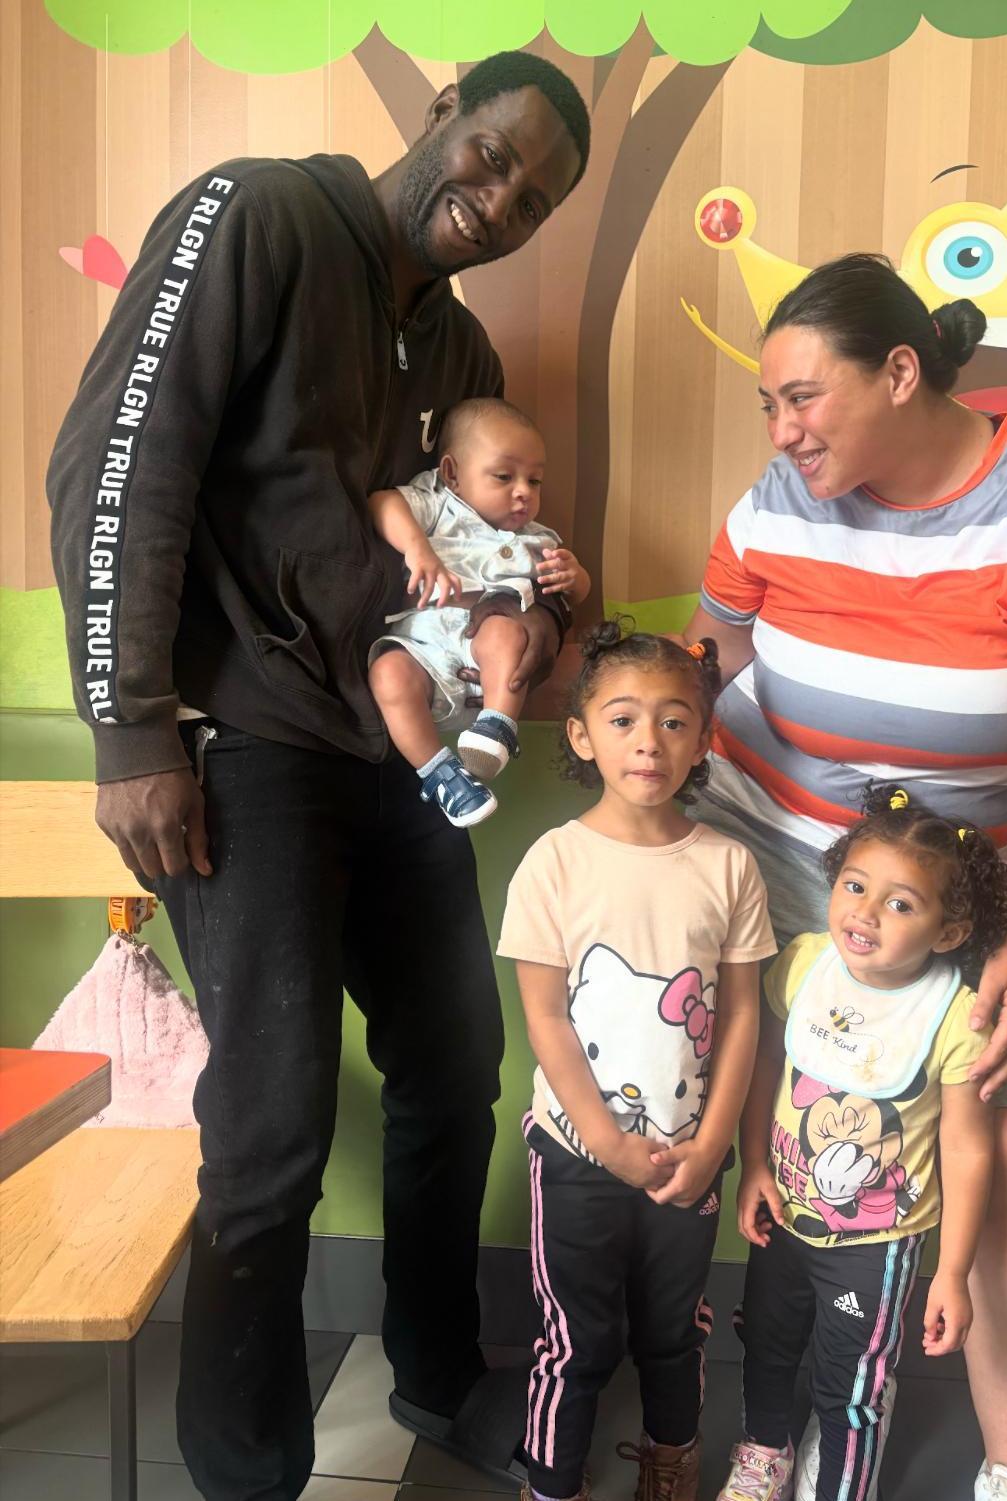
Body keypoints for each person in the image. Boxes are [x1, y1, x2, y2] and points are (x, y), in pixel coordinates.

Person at [47, 51, 590, 1501]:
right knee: (274, 1122)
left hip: (395, 752)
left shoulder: (458, 358)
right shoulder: (259, 216)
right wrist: (130, 728)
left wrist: (541, 630)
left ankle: (436, 1373)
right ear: (439, 115)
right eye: (492, 156)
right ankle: (246, 1470)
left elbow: (483, 560)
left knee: (454, 1067)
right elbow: (118, 464)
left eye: (532, 200)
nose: (499, 201)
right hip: (244, 743)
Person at [683, 252, 1007, 1501]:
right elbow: (702, 664)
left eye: (802, 398)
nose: (782, 432)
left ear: (901, 372)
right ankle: (755, 1425)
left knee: (994, 1157)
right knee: (753, 1125)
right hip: (774, 853)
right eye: (770, 407)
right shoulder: (779, 501)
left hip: (954, 897)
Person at [498, 622, 777, 1501]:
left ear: (701, 741)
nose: (647, 740)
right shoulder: (554, 863)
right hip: (576, 1157)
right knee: (574, 1339)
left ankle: (670, 1466)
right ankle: (551, 1483)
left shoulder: (729, 865)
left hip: (689, 1161)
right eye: (622, 719)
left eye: (672, 720)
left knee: (673, 1331)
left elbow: (742, 1016)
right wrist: (609, 1143)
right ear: (582, 735)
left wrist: (713, 1143)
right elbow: (545, 1018)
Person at [719, 785, 1007, 1501]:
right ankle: (764, 1450)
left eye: (900, 903)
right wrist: (753, 1163)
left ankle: (841, 1481)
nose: (865, 911)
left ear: (948, 932)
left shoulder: (954, 1017)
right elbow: (764, 1065)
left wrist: (952, 1271)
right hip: (783, 1213)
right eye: (854, 885)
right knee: (765, 1342)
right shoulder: (801, 964)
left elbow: (968, 1149)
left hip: (875, 1244)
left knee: (851, 1381)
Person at [368, 396, 589, 827]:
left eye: (535, 481)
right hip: (425, 654)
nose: (523, 491)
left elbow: (575, 594)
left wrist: (576, 576)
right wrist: (417, 548)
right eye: (504, 476)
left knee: (505, 634)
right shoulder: (437, 505)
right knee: (387, 673)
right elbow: (382, 503)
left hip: (490, 668)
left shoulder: (539, 539)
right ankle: (444, 777)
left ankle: (498, 726)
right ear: (452, 473)